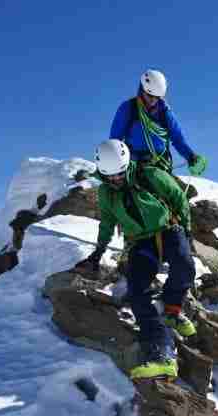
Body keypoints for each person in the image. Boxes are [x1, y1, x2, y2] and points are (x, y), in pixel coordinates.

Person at [76, 139, 197, 380]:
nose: (116, 180)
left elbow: (179, 199)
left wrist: (186, 231)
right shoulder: (106, 192)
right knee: (137, 289)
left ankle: (172, 310)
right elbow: (108, 222)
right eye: (110, 177)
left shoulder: (151, 175)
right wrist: (98, 252)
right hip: (140, 241)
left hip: (169, 229)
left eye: (120, 174)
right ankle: (161, 350)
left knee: (185, 265)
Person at [110, 69, 208, 178]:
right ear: (141, 90)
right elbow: (115, 139)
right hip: (133, 161)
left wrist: (191, 156)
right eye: (150, 96)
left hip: (158, 163)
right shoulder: (129, 108)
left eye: (157, 97)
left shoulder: (164, 113)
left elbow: (177, 139)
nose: (153, 100)